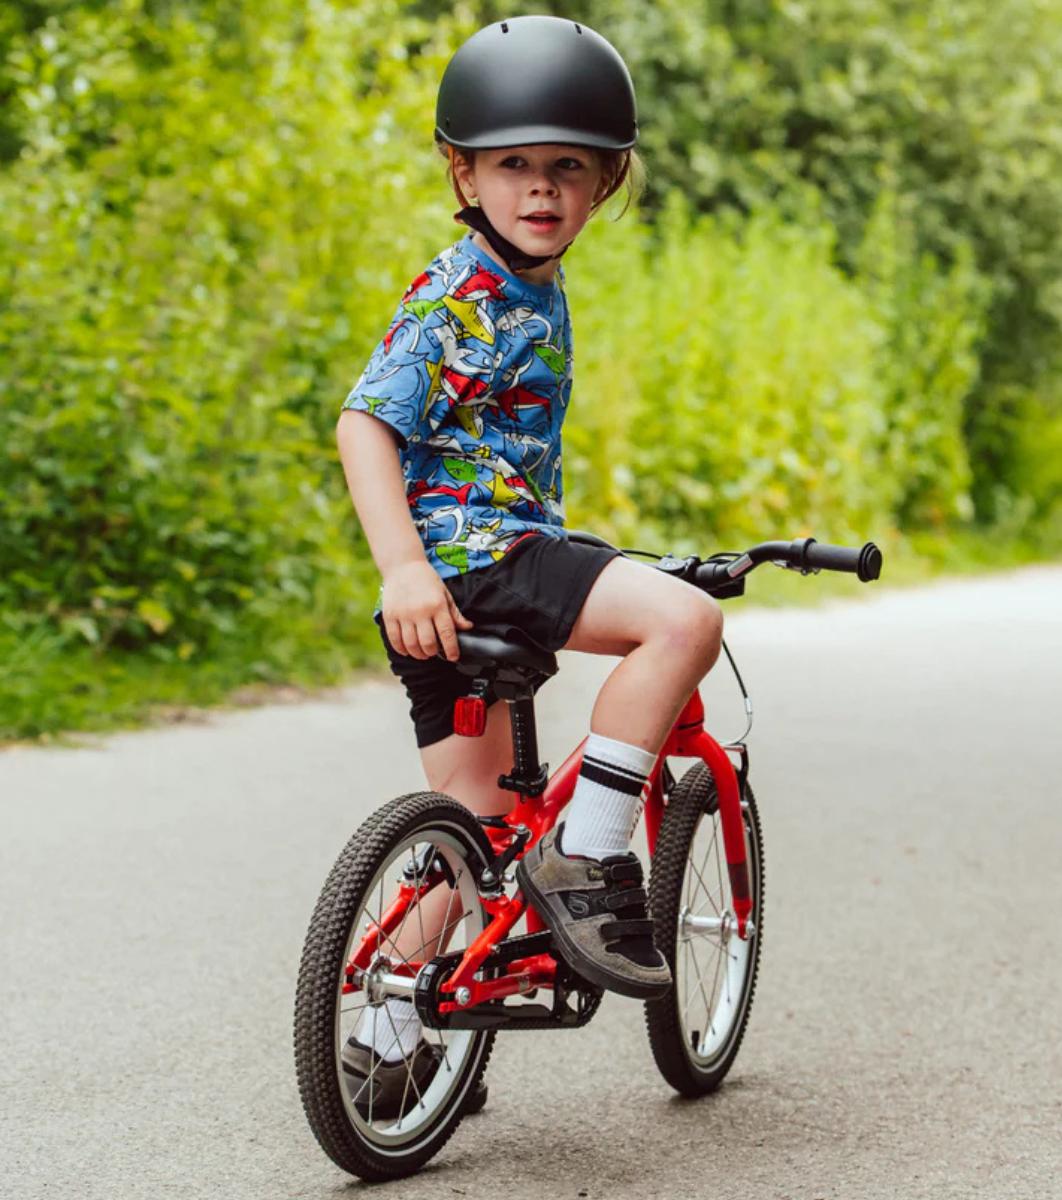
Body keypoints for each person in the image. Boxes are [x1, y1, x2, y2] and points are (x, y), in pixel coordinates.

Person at [335, 15, 724, 1117]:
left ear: (606, 183)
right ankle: (591, 859)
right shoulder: (459, 295)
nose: (541, 190)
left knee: (468, 845)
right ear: (463, 172)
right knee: (684, 623)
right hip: (474, 567)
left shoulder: (525, 279)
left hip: (470, 577)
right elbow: (366, 425)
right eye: (514, 165)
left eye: (568, 168)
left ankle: (392, 1036)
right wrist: (404, 567)